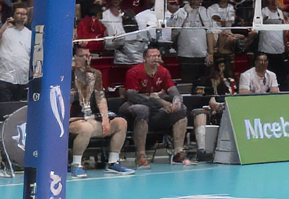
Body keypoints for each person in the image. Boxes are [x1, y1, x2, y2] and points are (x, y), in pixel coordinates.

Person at [122, 48, 199, 167]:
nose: (155, 58)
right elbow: (132, 96)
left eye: (157, 56)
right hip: (133, 107)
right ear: (144, 59)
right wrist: (159, 102)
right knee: (142, 109)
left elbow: (174, 93)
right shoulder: (134, 72)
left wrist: (176, 103)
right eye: (151, 56)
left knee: (181, 110)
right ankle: (141, 155)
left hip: (155, 109)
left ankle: (178, 152)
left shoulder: (163, 72)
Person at [69, 46, 134, 177]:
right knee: (86, 128)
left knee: (120, 123)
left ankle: (113, 162)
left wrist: (105, 119)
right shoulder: (67, 74)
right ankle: (76, 164)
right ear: (74, 58)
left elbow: (100, 97)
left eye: (88, 55)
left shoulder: (95, 74)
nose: (87, 59)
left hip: (92, 118)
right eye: (82, 56)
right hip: (72, 120)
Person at [0, 4, 33, 102]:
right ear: (13, 15)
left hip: (22, 80)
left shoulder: (31, 35)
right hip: (3, 79)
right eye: (19, 13)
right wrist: (3, 28)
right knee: (3, 110)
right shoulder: (3, 32)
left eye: (24, 14)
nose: (22, 16)